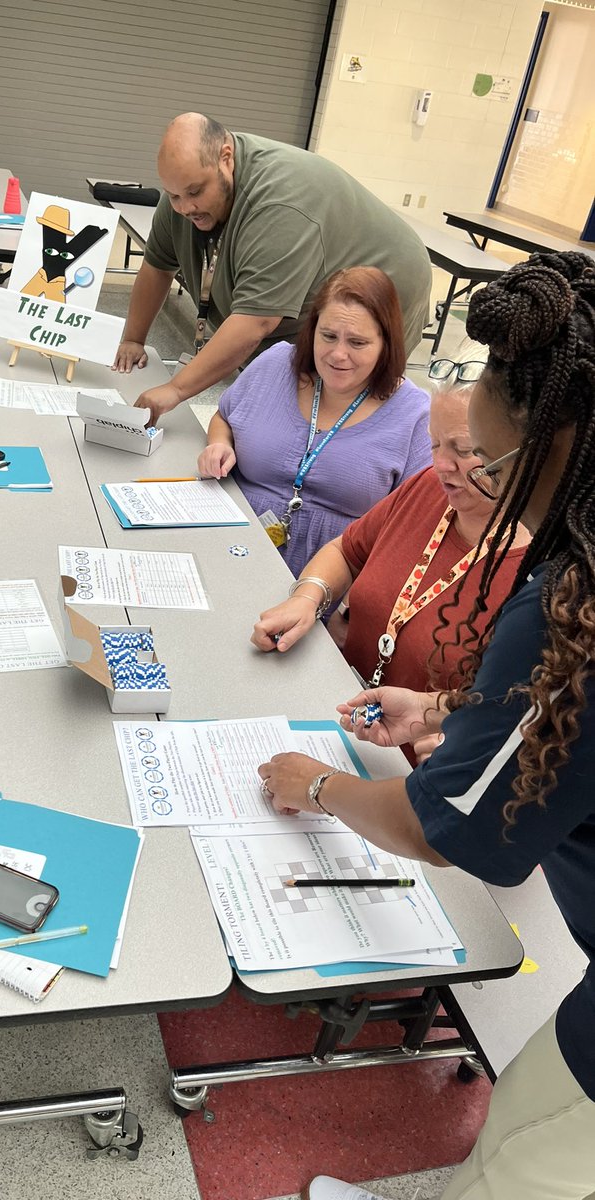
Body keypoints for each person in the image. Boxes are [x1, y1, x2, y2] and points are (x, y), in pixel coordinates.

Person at [257, 251, 595, 1200]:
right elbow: (549, 721)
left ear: (560, 447)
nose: (460, 473)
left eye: (484, 461)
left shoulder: (573, 607)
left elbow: (447, 831)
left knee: (533, 1155)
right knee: (523, 1116)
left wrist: (315, 785)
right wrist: (452, 708)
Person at [251, 340, 529, 722]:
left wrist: (442, 724)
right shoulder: (427, 488)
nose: (440, 464)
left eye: (464, 450)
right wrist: (307, 597)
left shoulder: (543, 572)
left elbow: (515, 712)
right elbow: (347, 551)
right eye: (433, 443)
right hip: (336, 709)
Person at [113, 112, 432, 426]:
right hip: (309, 280)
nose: (184, 207)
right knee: (276, 395)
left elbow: (257, 322)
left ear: (226, 158)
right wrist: (133, 339)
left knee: (340, 396)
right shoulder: (183, 194)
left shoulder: (278, 203)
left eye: (195, 192)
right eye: (174, 196)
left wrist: (175, 389)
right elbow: (156, 267)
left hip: (390, 278)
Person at [197, 267, 431, 580]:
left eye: (358, 343)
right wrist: (219, 444)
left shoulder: (414, 413)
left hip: (328, 584)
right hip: (229, 547)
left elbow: (415, 523)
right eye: (328, 336)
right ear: (313, 329)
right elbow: (224, 417)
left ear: (386, 344)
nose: (338, 354)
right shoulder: (276, 364)